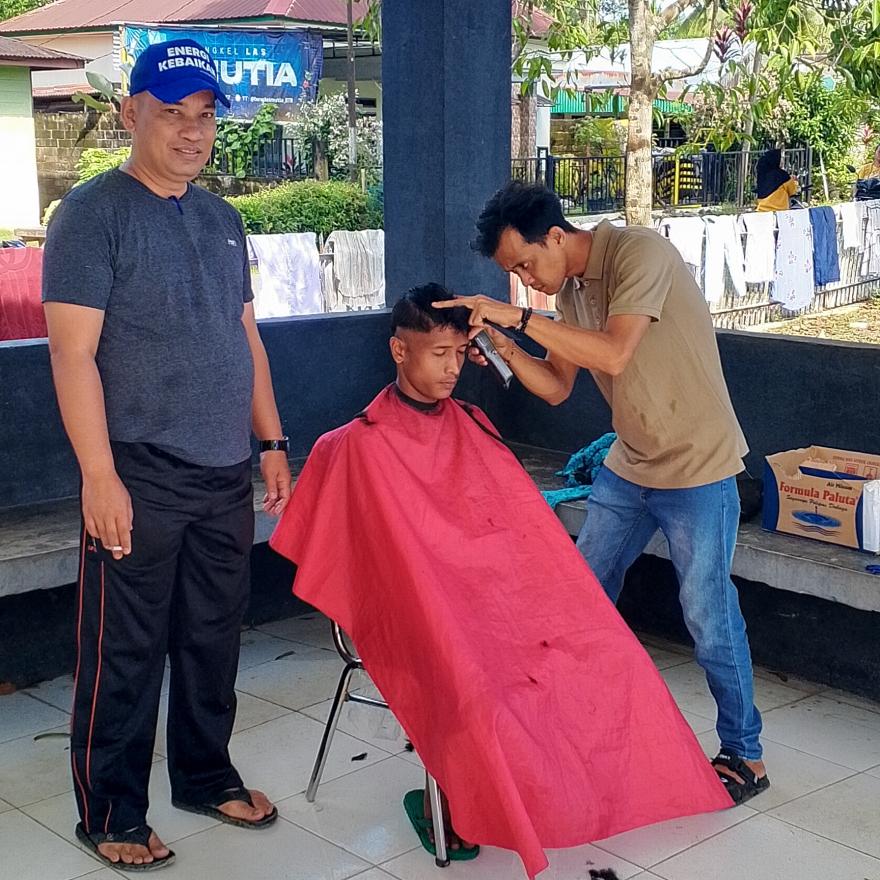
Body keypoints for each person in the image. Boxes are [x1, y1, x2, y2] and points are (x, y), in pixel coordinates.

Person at [270, 284, 732, 880]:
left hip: (496, 602)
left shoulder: (473, 423)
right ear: (398, 350)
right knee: (476, 682)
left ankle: (571, 797)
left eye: (460, 353)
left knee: (605, 652)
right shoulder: (352, 445)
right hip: (423, 613)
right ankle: (466, 805)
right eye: (437, 353)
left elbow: (516, 531)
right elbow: (342, 555)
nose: (451, 369)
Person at [435, 181, 770, 807]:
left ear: (557, 236)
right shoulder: (568, 292)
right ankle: (565, 725)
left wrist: (518, 316)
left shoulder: (640, 254)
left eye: (526, 264)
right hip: (628, 464)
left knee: (707, 614)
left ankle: (744, 752)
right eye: (514, 274)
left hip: (698, 469)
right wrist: (504, 344)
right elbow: (558, 386)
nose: (528, 281)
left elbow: (614, 354)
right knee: (579, 593)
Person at [42, 39, 291, 871]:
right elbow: (72, 354)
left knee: (216, 638)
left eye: (204, 116)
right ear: (130, 114)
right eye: (172, 113)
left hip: (224, 468)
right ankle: (109, 810)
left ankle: (205, 776)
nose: (191, 132)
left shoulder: (225, 219)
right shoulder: (91, 213)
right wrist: (99, 476)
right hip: (138, 468)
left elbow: (244, 334)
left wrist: (271, 441)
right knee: (125, 648)